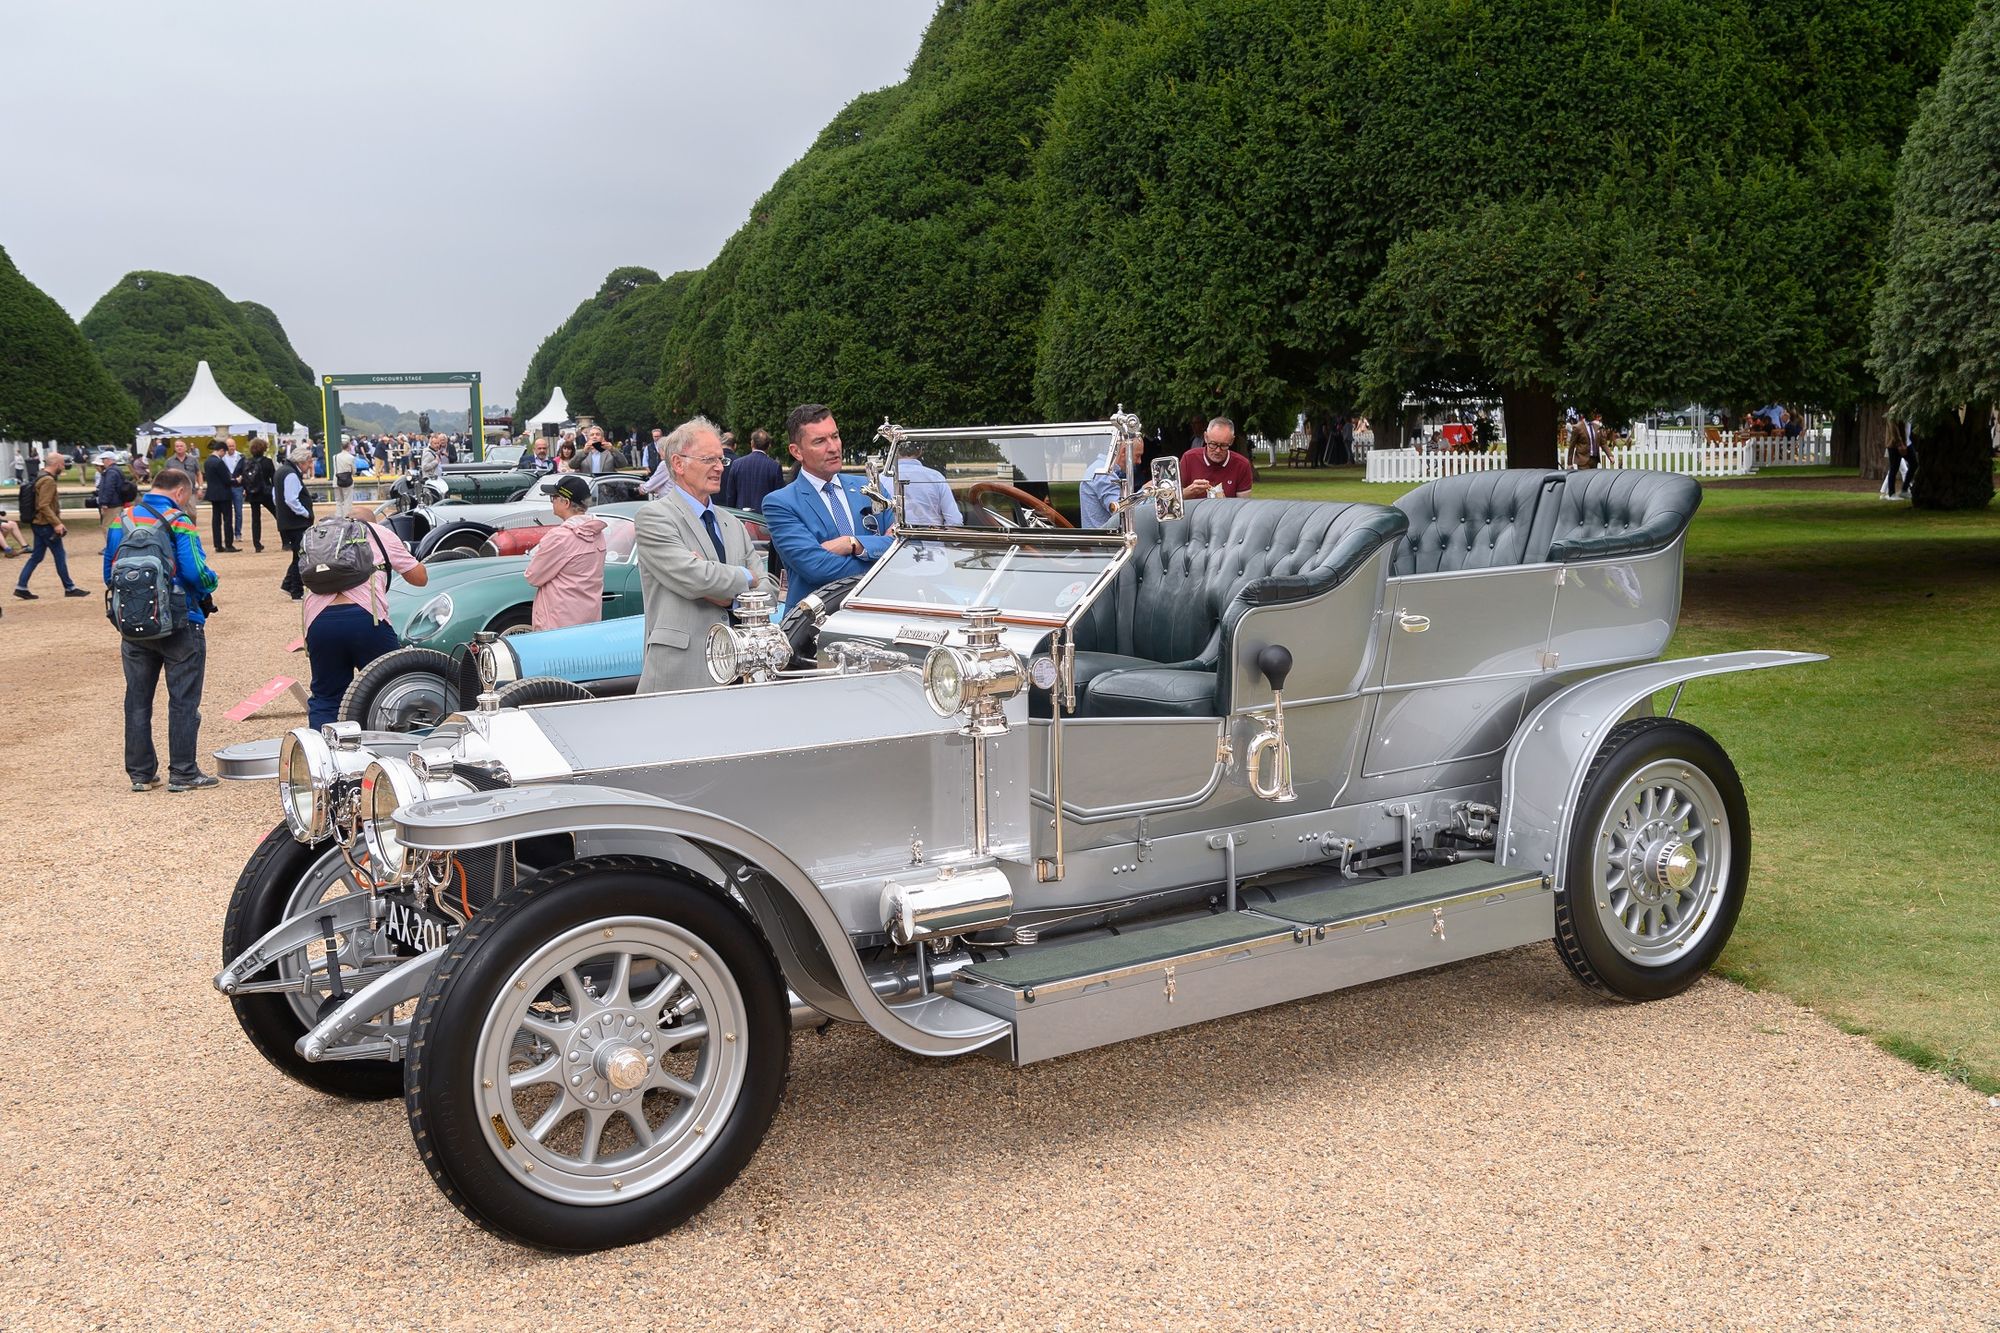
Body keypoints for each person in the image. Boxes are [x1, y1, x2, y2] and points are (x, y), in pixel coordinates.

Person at [633, 417, 774, 692]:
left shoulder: (731, 523)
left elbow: (767, 593)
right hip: (681, 672)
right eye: (709, 459)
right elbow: (696, 578)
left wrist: (724, 589)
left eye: (721, 459)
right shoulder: (653, 517)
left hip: (739, 673)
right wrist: (747, 577)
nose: (719, 467)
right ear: (678, 464)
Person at [105, 467, 220, 791]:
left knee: (137, 699)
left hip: (134, 621)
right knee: (183, 700)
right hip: (181, 620)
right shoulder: (179, 520)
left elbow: (108, 572)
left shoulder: (123, 519)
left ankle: (141, 774)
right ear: (181, 492)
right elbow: (196, 573)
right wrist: (213, 581)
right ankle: (184, 773)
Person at [300, 504, 428, 727]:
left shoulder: (320, 535)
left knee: (327, 696)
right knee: (390, 685)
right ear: (374, 522)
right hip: (366, 617)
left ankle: (321, 755)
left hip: (319, 621)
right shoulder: (379, 533)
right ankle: (389, 746)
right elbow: (419, 578)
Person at [763, 403, 895, 604]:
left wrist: (852, 543)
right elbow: (816, 568)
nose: (834, 447)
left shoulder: (870, 487)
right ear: (797, 452)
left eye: (835, 436)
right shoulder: (780, 503)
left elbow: (900, 545)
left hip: (875, 613)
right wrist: (883, 564)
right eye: (820, 441)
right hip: (815, 625)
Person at [524, 474, 608, 630]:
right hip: (589, 619)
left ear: (566, 502)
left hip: (558, 623)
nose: (552, 501)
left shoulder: (560, 537)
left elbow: (533, 576)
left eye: (554, 497)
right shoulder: (597, 532)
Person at [14, 450, 90, 600]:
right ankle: (69, 587)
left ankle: (21, 586)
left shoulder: (40, 476)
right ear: (56, 464)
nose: (64, 466)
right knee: (59, 555)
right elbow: (44, 505)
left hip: (38, 523)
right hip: (45, 525)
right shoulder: (48, 481)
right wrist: (57, 523)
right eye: (62, 463)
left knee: (36, 556)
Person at [275, 443, 317, 599]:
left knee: (297, 555)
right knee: (300, 556)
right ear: (302, 461)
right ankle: (296, 591)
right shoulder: (291, 474)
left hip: (288, 521)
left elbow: (275, 496)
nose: (310, 465)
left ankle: (287, 585)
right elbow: (291, 499)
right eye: (309, 462)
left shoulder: (281, 471)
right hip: (296, 523)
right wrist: (305, 513)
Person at [1180, 417, 1256, 500]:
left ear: (1231, 441)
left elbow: (1243, 507)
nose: (1217, 450)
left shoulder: (1242, 465)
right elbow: (1171, 499)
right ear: (1206, 437)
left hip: (1227, 512)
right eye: (1213, 444)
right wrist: (1188, 492)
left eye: (1223, 445)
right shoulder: (1189, 458)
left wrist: (1223, 503)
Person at [891, 436, 962, 526]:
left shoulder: (882, 479)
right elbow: (955, 521)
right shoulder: (936, 477)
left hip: (892, 538)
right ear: (920, 451)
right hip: (929, 537)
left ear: (893, 450)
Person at [1079, 431, 1142, 529]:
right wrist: (1146, 492)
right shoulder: (1104, 474)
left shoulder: (1099, 468)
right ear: (1124, 452)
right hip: (1104, 542)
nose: (1139, 461)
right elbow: (1123, 512)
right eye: (1137, 455)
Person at [719, 428, 784, 512]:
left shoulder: (737, 464)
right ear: (769, 446)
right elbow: (779, 497)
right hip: (764, 518)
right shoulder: (774, 467)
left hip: (742, 515)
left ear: (752, 443)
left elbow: (731, 495)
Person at [202, 440, 240, 552]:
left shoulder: (207, 461)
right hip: (223, 494)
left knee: (216, 520)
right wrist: (236, 480)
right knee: (227, 519)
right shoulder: (219, 462)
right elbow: (227, 480)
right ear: (222, 450)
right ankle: (229, 544)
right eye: (224, 452)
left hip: (213, 493)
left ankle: (217, 544)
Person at [240, 439, 276, 551]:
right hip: (265, 492)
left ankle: (257, 544)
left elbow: (243, 478)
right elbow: (274, 478)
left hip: (253, 493)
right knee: (277, 514)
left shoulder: (247, 462)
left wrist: (246, 489)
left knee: (255, 519)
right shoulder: (267, 462)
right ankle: (285, 541)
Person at [221, 436, 247, 538]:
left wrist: (245, 486)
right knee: (227, 513)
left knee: (238, 512)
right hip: (226, 487)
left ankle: (238, 533)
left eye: (232, 445)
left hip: (238, 487)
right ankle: (229, 534)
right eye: (229, 446)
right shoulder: (222, 458)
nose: (231, 448)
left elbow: (245, 471)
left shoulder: (241, 457)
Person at [331, 438, 358, 518]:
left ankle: (338, 516)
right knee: (347, 500)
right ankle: (346, 516)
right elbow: (354, 471)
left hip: (336, 480)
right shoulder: (351, 457)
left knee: (338, 501)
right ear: (348, 446)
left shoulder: (335, 457)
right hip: (347, 481)